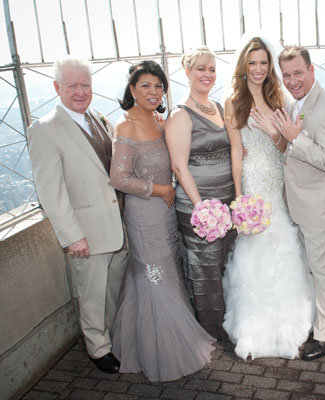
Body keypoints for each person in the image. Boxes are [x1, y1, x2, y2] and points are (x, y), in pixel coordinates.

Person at [109, 60, 215, 382]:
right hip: (144, 215)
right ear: (132, 89)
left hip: (166, 213)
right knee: (153, 275)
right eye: (145, 85)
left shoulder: (159, 121)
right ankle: (162, 350)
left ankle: (151, 341)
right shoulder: (125, 127)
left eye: (158, 85)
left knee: (164, 272)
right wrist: (159, 189)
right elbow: (119, 178)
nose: (153, 91)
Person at [27, 57, 127, 374]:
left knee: (111, 290)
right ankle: (98, 350)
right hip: (87, 231)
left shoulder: (96, 118)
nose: (80, 92)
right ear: (57, 88)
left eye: (85, 85)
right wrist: (73, 236)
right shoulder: (44, 130)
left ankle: (107, 336)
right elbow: (50, 191)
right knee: (92, 294)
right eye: (72, 86)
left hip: (117, 226)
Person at [222, 36, 314, 360]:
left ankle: (288, 324)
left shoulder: (280, 98)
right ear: (244, 67)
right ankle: (255, 328)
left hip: (278, 181)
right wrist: (238, 200)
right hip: (252, 182)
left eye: (264, 62)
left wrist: (273, 133)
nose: (259, 69)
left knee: (285, 247)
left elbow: (284, 147)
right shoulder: (233, 101)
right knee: (255, 252)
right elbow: (236, 152)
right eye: (253, 63)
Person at [272, 45, 325, 361]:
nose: (292, 80)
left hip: (319, 208)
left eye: (298, 73)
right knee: (312, 271)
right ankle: (316, 324)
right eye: (286, 75)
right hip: (300, 204)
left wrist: (294, 138)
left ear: (312, 70)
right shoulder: (295, 103)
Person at [165, 47, 236, 341]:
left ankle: (229, 320)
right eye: (201, 69)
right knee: (204, 269)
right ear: (187, 73)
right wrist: (203, 208)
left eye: (212, 69)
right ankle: (210, 330)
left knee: (225, 263)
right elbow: (180, 168)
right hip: (200, 207)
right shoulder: (180, 115)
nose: (207, 75)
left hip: (227, 201)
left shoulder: (219, 107)